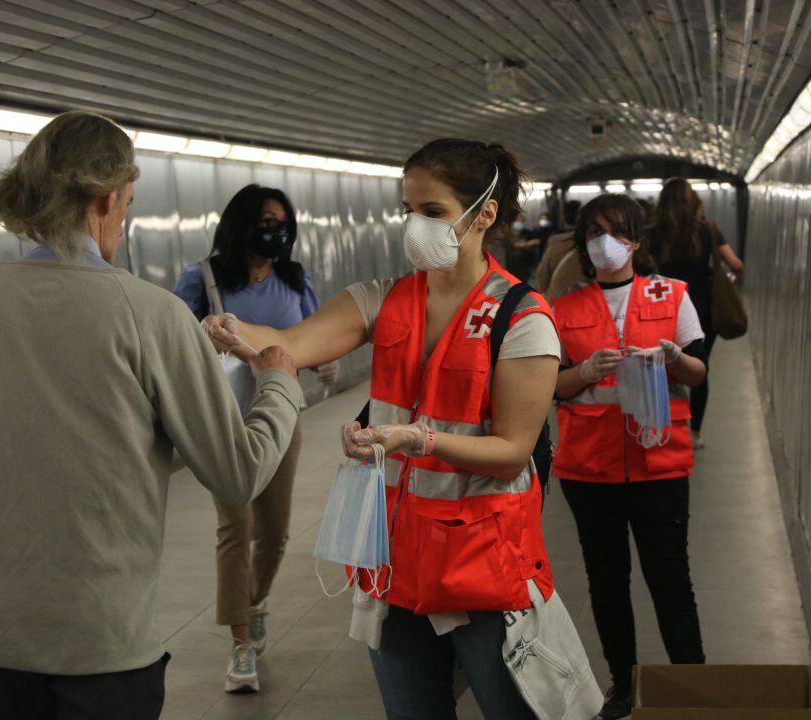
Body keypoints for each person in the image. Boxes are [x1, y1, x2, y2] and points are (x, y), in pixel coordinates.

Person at [0, 111, 304, 720]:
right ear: (103, 198)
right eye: (129, 203)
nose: (127, 218)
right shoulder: (152, 316)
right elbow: (236, 474)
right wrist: (276, 379)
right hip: (105, 647)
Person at [204, 139, 567, 718]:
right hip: (394, 559)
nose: (416, 227)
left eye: (433, 213)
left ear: (485, 214)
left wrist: (416, 439)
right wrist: (229, 330)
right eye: (409, 211)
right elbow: (290, 345)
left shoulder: (521, 318)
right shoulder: (385, 300)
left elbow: (513, 451)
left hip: (483, 564)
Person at [172, 184, 338, 694]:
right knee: (234, 528)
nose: (277, 229)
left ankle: (255, 600)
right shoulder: (202, 278)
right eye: (267, 219)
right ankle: (241, 642)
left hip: (281, 418)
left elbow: (314, 338)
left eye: (283, 221)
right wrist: (204, 331)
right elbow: (173, 342)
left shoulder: (294, 278)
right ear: (243, 223)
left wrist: (324, 359)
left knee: (275, 532)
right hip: (222, 421)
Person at [552, 193, 708, 719]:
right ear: (582, 244)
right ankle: (624, 684)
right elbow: (550, 386)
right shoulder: (564, 308)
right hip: (588, 467)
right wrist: (586, 372)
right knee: (606, 578)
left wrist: (674, 358)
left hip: (659, 463)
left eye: (615, 231)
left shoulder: (672, 295)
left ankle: (693, 682)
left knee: (670, 576)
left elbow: (698, 373)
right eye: (593, 233)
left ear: (636, 240)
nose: (604, 242)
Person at [648, 178, 743, 449]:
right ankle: (695, 433)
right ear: (694, 202)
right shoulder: (708, 230)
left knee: (662, 368)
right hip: (702, 310)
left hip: (661, 310)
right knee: (699, 369)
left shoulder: (652, 233)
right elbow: (736, 264)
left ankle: (662, 426)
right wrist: (723, 278)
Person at [536, 199, 581, 295]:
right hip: (584, 299)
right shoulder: (589, 241)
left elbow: (542, 276)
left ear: (563, 217)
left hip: (558, 299)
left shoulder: (555, 241)